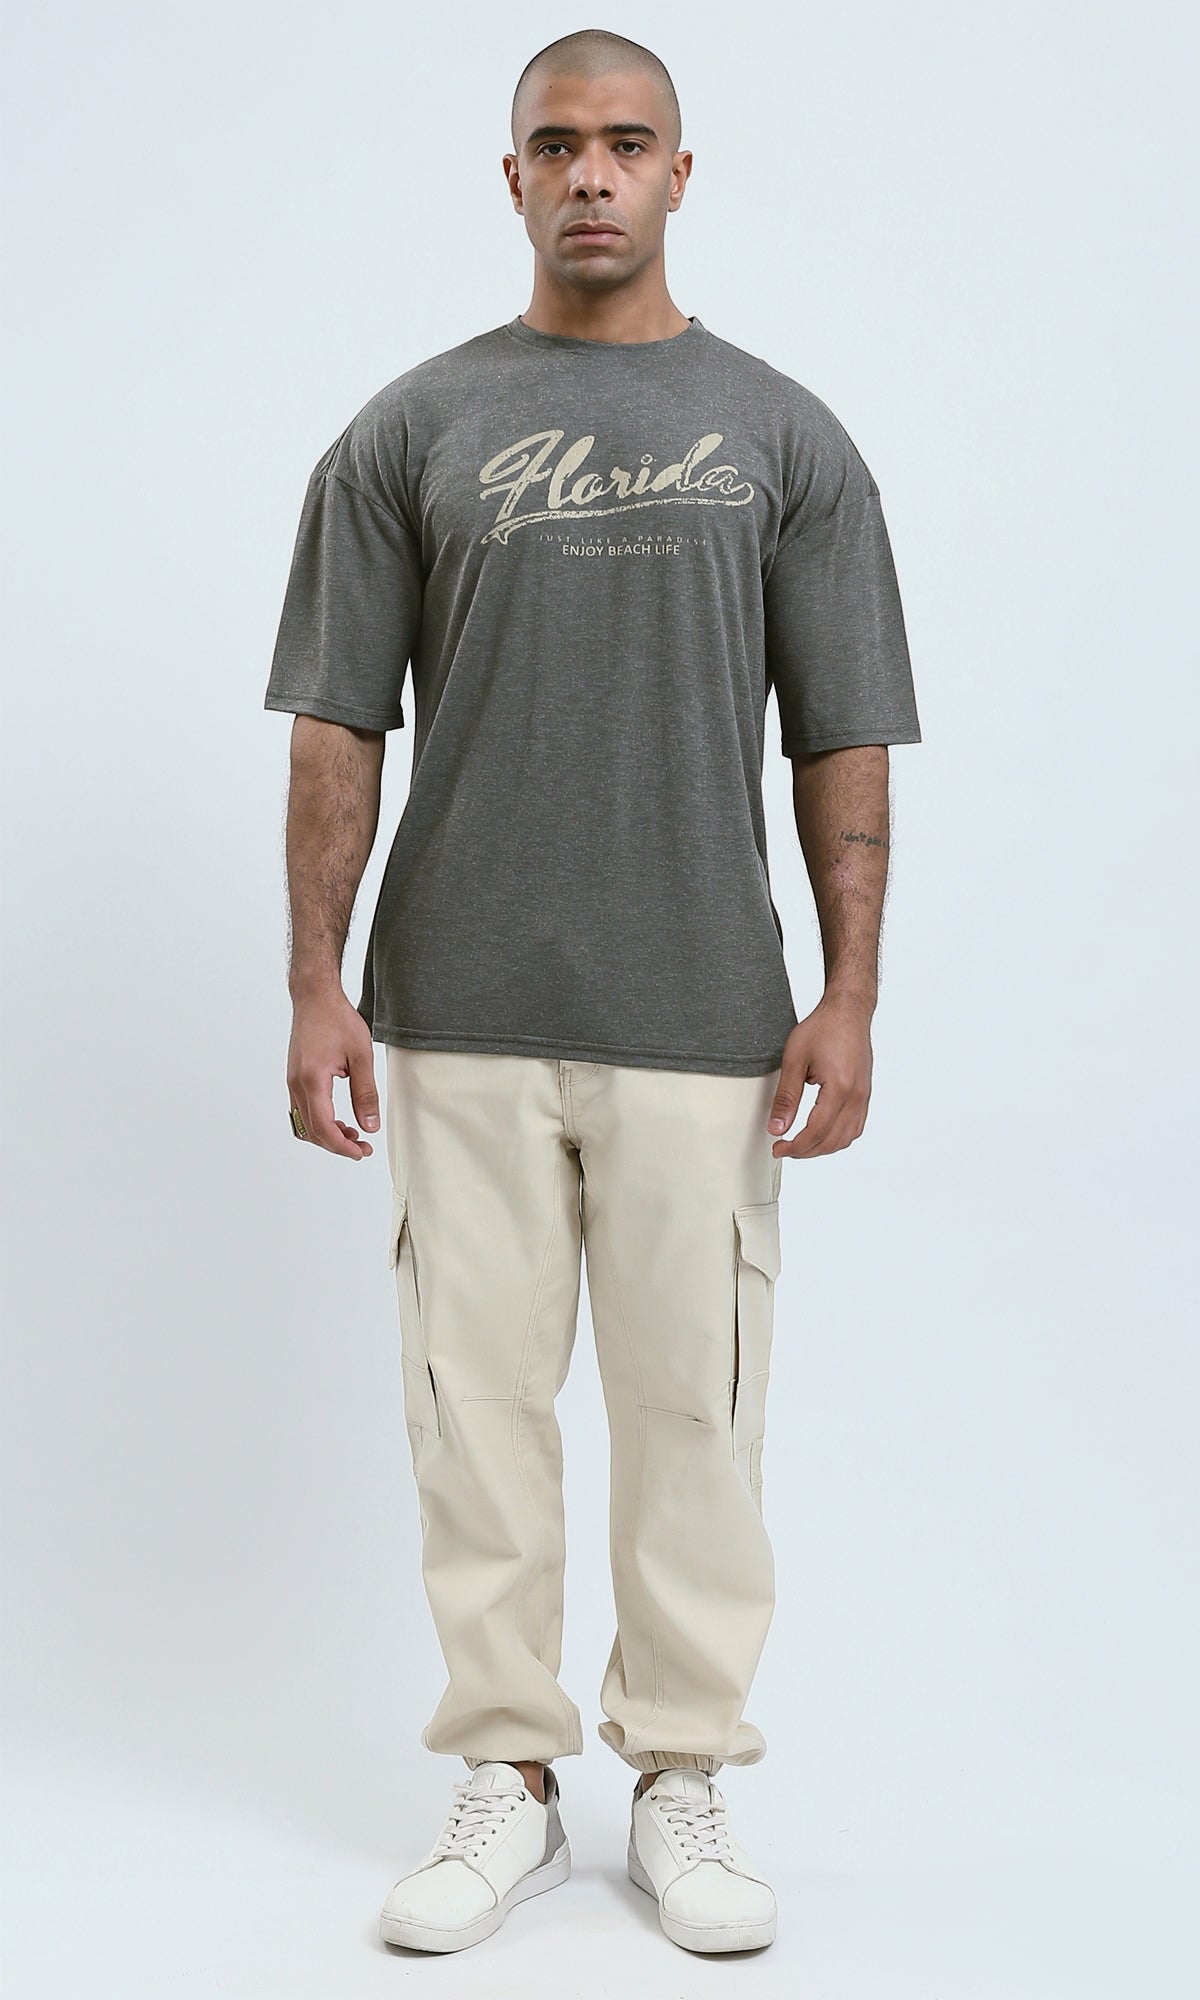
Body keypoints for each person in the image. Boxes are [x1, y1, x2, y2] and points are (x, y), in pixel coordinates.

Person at [264, 27, 922, 1959]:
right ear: (514, 177)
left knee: (693, 1417)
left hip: (706, 1013)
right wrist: (314, 982)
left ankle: (685, 1774)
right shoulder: (409, 431)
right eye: (557, 145)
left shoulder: (786, 436)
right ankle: (510, 1777)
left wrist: (852, 991)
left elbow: (845, 735)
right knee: (475, 1413)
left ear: (681, 173)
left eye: (628, 143)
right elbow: (336, 726)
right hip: (454, 1006)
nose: (592, 175)